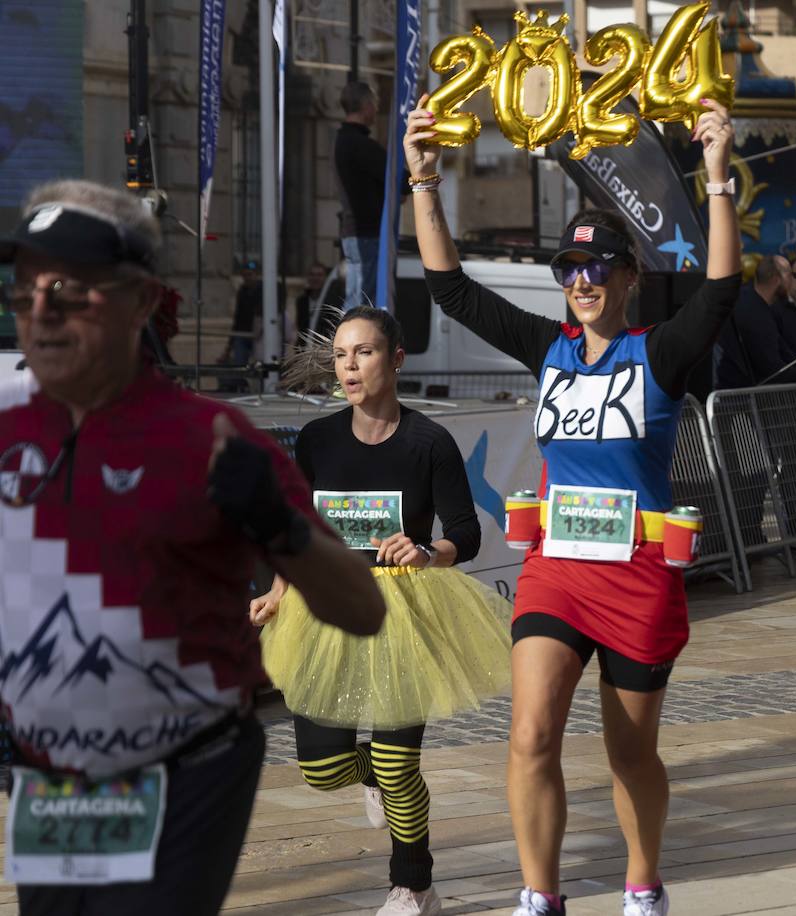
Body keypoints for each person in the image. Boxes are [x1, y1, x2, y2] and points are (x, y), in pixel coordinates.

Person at [0, 179, 384, 916]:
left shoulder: (207, 438)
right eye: (26, 289)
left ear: (141, 301)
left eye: (73, 289)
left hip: (186, 769)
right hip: (57, 780)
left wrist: (279, 526)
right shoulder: (11, 430)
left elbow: (362, 608)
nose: (42, 312)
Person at [406, 95, 741, 916]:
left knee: (631, 756)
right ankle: (539, 897)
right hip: (556, 571)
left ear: (629, 277)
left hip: (637, 575)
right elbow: (450, 289)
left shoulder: (656, 354)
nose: (582, 281)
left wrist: (719, 178)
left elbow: (722, 292)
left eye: (598, 268)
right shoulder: (546, 350)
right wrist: (423, 181)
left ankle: (642, 885)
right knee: (530, 735)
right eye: (569, 270)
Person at [250, 306, 512, 916]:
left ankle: (413, 883)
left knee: (399, 764)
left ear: (395, 359)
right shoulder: (317, 440)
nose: (349, 366)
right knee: (324, 770)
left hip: (405, 609)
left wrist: (426, 551)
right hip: (324, 610)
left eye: (363, 352)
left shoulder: (430, 441)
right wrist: (275, 590)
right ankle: (369, 778)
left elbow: (466, 535)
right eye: (341, 354)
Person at [715, 254, 796, 389]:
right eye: (790, 276)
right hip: (735, 396)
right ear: (777, 280)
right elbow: (775, 371)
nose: (792, 282)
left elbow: (785, 352)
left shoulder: (753, 302)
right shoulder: (756, 315)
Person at [336, 82, 387, 309]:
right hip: (368, 232)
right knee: (365, 304)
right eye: (375, 105)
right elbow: (399, 180)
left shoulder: (341, 142)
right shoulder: (363, 145)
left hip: (352, 232)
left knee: (355, 299)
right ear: (366, 106)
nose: (376, 110)